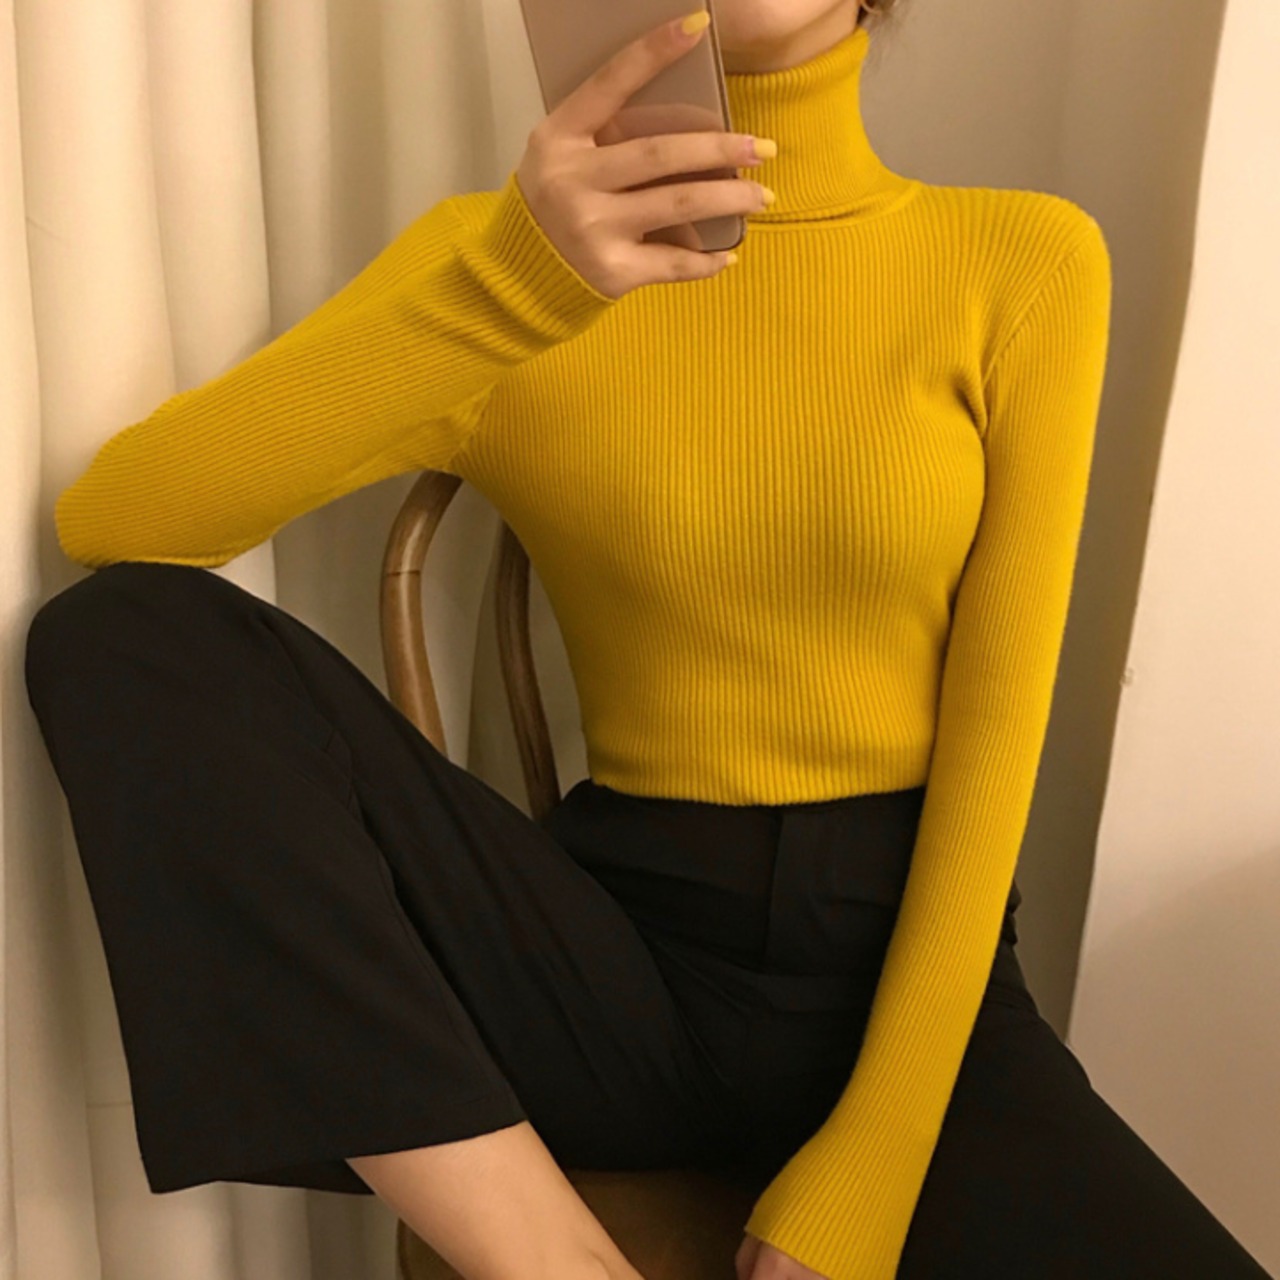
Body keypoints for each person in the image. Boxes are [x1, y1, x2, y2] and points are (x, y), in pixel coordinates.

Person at [22, 2, 1274, 1279]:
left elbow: (1000, 733)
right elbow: (118, 519)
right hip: (614, 962)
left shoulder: (1017, 258)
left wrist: (871, 1159)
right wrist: (519, 286)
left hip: (908, 981)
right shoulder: (506, 260)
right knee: (123, 635)